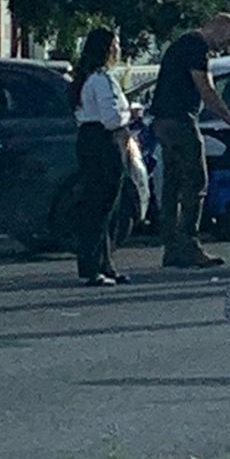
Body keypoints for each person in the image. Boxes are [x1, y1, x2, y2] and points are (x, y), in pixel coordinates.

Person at [152, 12, 230, 269]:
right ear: (218, 27)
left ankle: (172, 246)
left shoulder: (181, 44)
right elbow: (207, 91)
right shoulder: (197, 48)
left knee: (173, 184)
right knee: (196, 182)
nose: (228, 45)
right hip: (180, 120)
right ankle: (189, 244)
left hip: (164, 120)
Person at [70, 25, 135, 288]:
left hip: (88, 139)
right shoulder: (102, 79)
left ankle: (104, 264)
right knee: (102, 206)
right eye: (116, 45)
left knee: (100, 205)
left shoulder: (85, 78)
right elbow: (111, 118)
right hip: (104, 142)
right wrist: (130, 114)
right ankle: (94, 266)